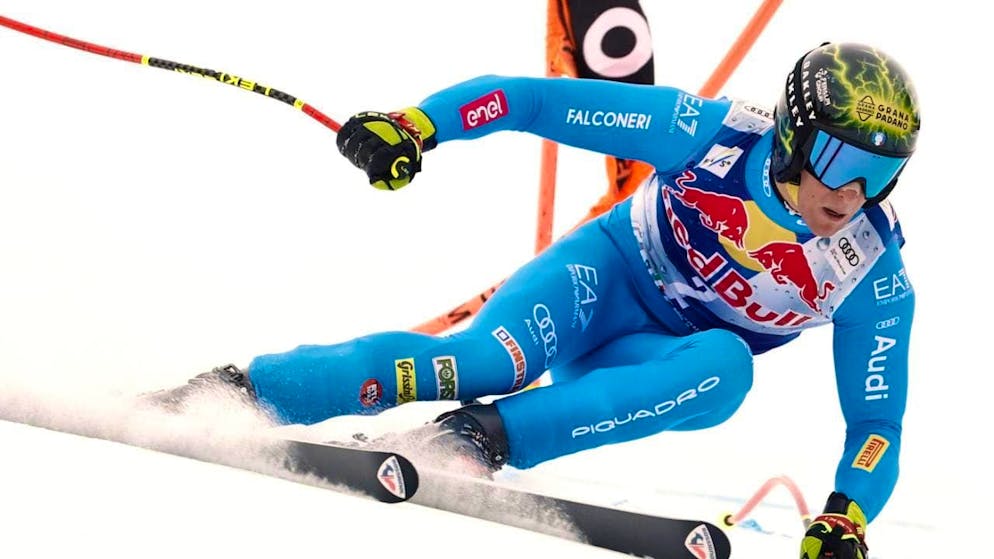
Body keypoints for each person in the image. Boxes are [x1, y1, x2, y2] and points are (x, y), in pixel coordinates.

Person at [156, 42, 919, 559]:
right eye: (839, 158)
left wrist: (846, 514)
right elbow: (533, 102)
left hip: (653, 358)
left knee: (726, 369)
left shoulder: (870, 272)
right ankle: (235, 392)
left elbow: (877, 421)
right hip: (601, 280)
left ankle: (477, 438)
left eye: (881, 174)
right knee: (487, 357)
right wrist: (418, 125)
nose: (854, 192)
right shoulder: (711, 135)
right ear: (792, 134)